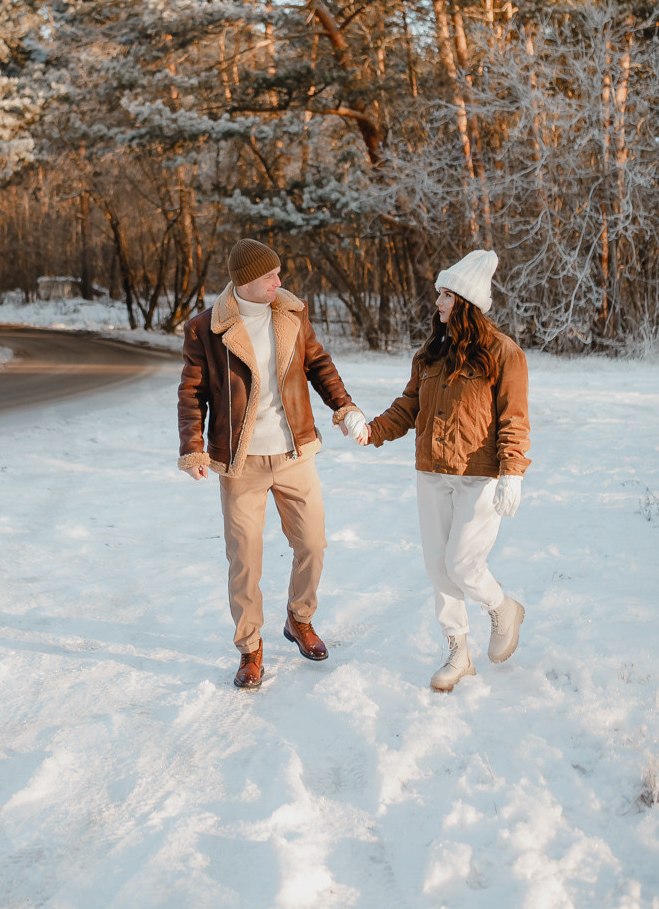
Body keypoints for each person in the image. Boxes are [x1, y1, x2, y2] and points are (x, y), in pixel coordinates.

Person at [178, 238, 369, 689]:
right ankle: (249, 648)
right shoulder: (206, 330)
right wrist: (193, 446)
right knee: (245, 560)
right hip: (240, 463)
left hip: (293, 454)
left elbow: (320, 365)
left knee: (314, 544)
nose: (278, 282)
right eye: (270, 277)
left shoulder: (291, 314)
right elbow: (191, 394)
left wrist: (345, 408)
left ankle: (299, 619)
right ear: (246, 282)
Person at [365, 249, 530, 692]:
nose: (437, 302)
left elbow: (514, 418)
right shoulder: (431, 353)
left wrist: (512, 471)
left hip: (480, 474)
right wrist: (372, 430)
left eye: (445, 295)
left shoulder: (503, 354)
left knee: (462, 563)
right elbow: (409, 406)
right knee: (439, 569)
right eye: (439, 294)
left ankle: (503, 608)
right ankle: (458, 651)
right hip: (431, 471)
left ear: (466, 303)